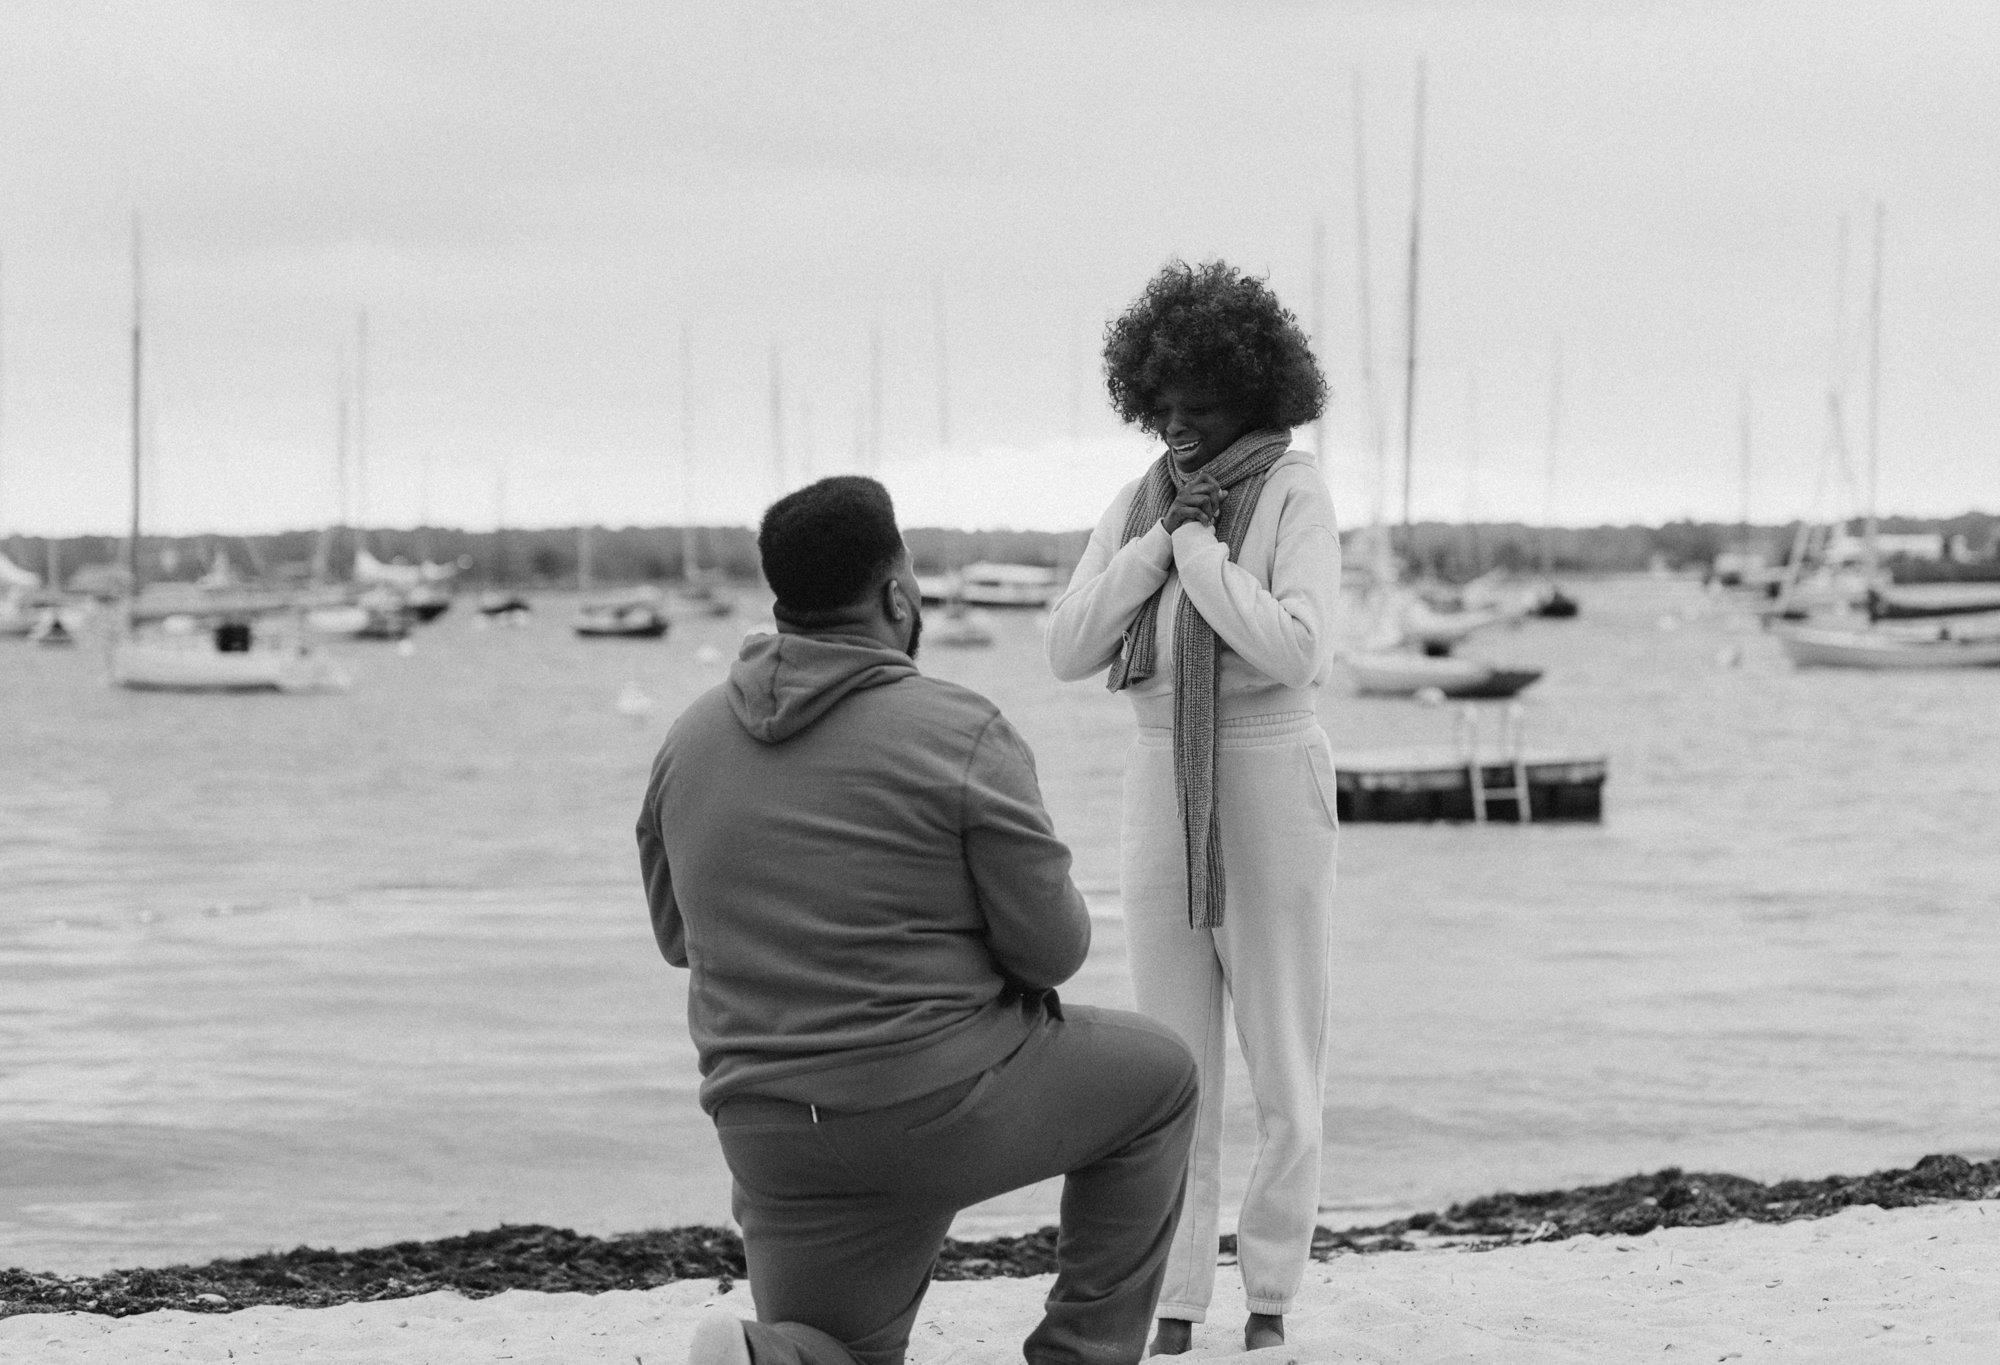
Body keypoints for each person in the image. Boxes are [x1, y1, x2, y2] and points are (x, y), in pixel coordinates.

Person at [638, 475, 1199, 1365]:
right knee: (1161, 1079)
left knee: (835, 1353)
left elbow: (680, 938)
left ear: (780, 599)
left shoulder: (689, 737)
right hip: (936, 1104)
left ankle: (748, 1352)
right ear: (898, 595)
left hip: (771, 1130)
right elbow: (1052, 950)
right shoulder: (958, 728)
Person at [1043, 261, 1342, 1356]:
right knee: (1172, 1065)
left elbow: (1296, 651)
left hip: (1267, 772)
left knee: (1279, 1049)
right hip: (1152, 777)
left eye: (1200, 407)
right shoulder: (1136, 506)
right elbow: (1068, 646)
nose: (1176, 427)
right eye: (1161, 406)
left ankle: (1267, 1296)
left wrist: (1202, 553)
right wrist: (1150, 548)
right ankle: (1172, 1304)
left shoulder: (1293, 492)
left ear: (1254, 396)